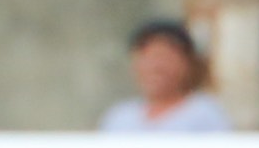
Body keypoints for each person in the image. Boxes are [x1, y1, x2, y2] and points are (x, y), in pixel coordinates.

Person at [98, 18, 234, 133]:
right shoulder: (119, 117)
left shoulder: (205, 114)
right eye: (147, 57)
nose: (155, 67)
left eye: (164, 57)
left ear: (187, 63)